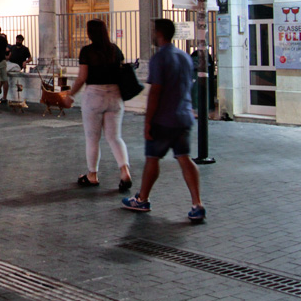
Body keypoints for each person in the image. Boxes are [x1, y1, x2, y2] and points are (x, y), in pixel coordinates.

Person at [122, 19, 205, 223]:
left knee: (153, 159)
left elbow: (156, 92)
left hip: (164, 119)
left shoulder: (159, 59)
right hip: (183, 116)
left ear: (159, 33)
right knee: (185, 158)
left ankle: (142, 198)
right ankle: (197, 204)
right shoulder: (185, 57)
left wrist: (148, 121)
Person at [65, 19, 132, 191]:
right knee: (115, 137)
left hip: (94, 96)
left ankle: (92, 175)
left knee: (92, 138)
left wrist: (70, 95)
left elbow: (82, 77)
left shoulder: (87, 51)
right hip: (115, 96)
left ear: (90, 33)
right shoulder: (115, 49)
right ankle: (124, 171)